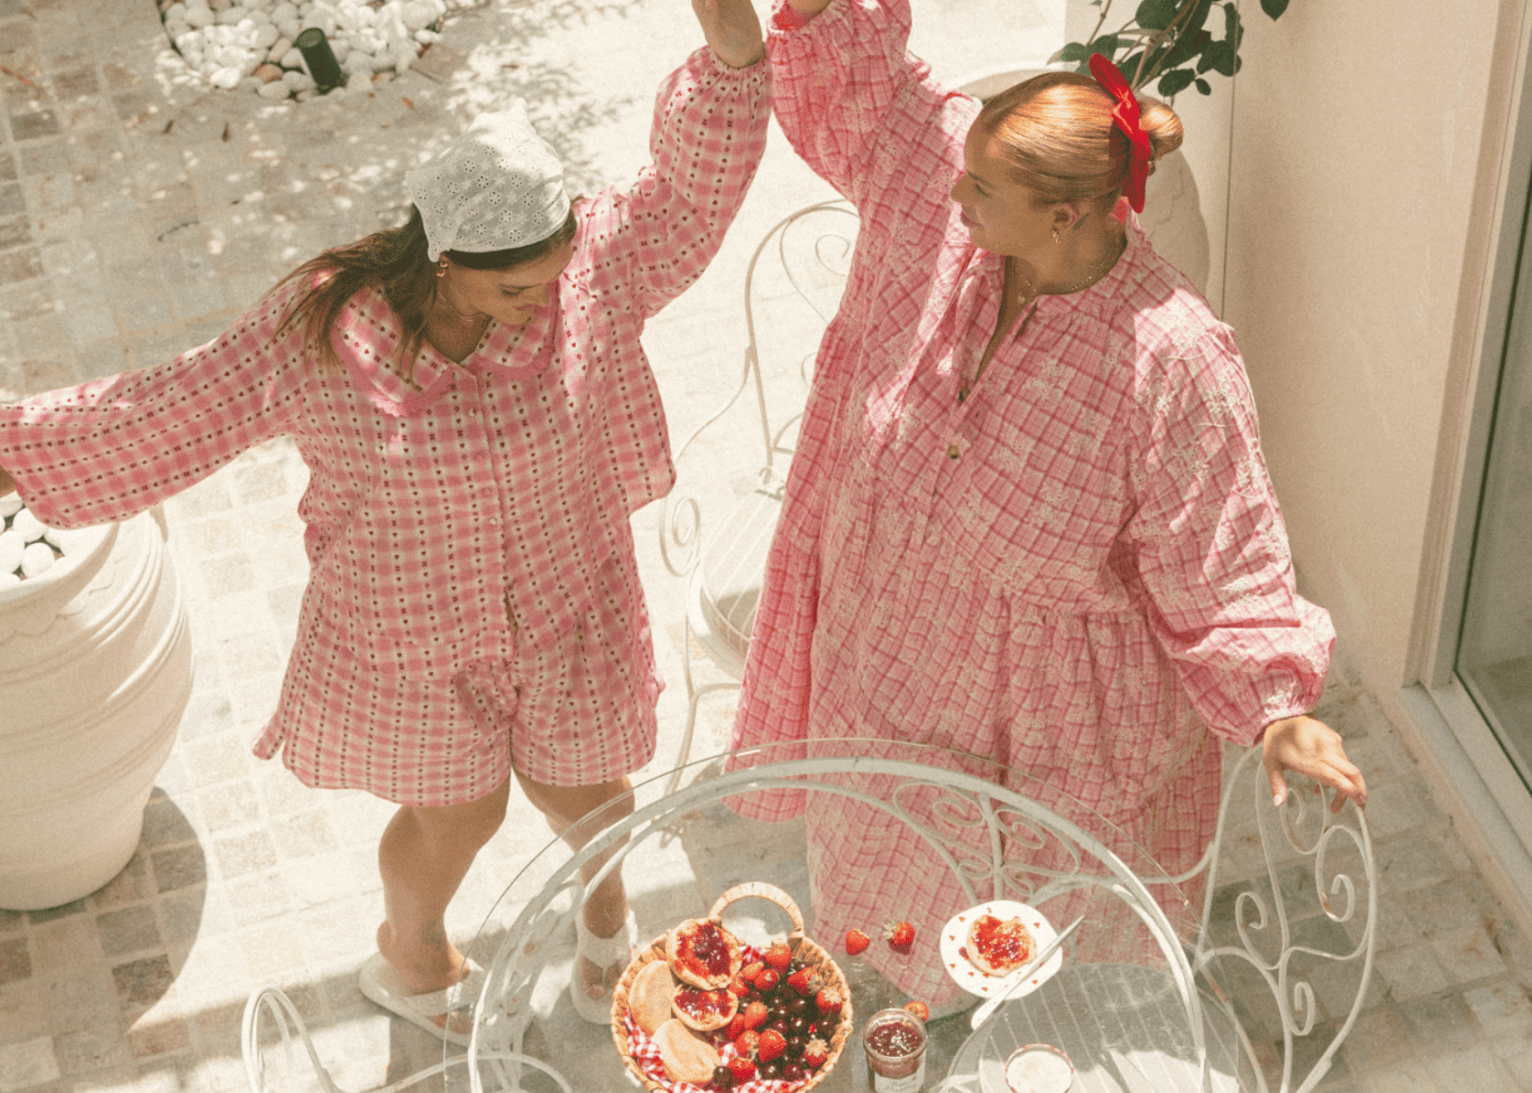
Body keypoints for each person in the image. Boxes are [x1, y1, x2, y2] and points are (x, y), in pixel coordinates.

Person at [0, 0, 769, 1038]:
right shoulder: (323, 328)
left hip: (565, 598)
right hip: (409, 634)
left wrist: (734, 62)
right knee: (463, 812)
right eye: (511, 288)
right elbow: (177, 405)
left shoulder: (590, 275)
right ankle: (410, 960)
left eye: (549, 280)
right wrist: (14, 453)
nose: (539, 305)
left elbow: (683, 199)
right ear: (443, 259)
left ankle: (608, 915)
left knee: (587, 791)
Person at [725, 0, 1367, 1007]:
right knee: (888, 899)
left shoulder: (1170, 360)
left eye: (980, 187)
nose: (954, 195)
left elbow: (1223, 562)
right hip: (888, 651)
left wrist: (1275, 713)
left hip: (1050, 729)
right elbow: (874, 104)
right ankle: (908, 1019)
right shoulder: (946, 223)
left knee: (1041, 956)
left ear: (1067, 213)